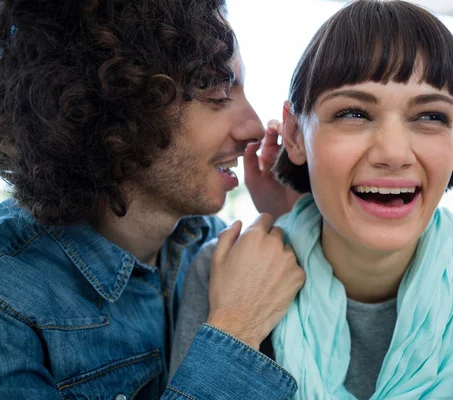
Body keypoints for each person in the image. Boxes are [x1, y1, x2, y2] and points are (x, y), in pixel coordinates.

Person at [171, 0, 453, 399]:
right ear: (297, 136)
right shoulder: (221, 271)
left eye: (430, 116)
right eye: (353, 113)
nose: (393, 153)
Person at [0, 0, 304, 398]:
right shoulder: (11, 300)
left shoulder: (217, 247)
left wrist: (296, 222)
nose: (253, 127)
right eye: (215, 93)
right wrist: (237, 329)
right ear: (116, 104)